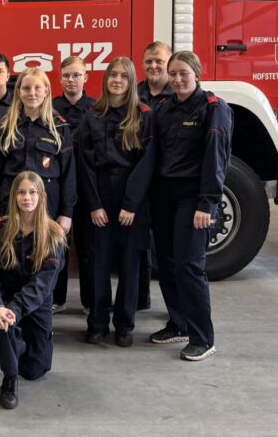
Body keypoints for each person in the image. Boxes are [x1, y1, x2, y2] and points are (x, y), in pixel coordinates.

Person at [149, 51, 232, 361]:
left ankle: (203, 338)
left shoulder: (213, 108)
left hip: (193, 198)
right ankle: (179, 324)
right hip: (164, 196)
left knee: (189, 267)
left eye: (183, 72)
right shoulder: (163, 109)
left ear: (197, 73)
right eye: (173, 73)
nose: (177, 79)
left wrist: (207, 204)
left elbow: (216, 159)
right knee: (167, 264)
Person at [77, 57, 155, 347]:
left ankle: (124, 325)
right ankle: (97, 322)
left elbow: (147, 163)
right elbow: (84, 163)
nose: (117, 80)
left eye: (123, 76)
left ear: (131, 81)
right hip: (100, 195)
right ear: (105, 79)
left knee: (129, 265)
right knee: (98, 263)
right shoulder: (92, 116)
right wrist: (94, 204)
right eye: (113, 75)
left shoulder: (143, 116)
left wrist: (131, 204)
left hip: (131, 198)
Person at [0, 172, 66, 410]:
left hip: (36, 302)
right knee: (4, 324)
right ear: (13, 196)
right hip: (5, 300)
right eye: (21, 192)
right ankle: (9, 380)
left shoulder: (54, 233)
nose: (26, 197)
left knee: (34, 370)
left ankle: (10, 342)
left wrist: (15, 309)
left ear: (42, 196)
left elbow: (43, 285)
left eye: (32, 192)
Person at [0, 67, 76, 237]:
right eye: (26, 88)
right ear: (18, 92)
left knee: (47, 252)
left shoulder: (59, 127)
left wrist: (67, 212)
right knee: (10, 251)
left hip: (48, 205)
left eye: (37, 88)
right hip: (11, 202)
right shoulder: (5, 127)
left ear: (46, 91)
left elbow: (69, 174)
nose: (32, 93)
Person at [50, 56, 96, 314]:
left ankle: (89, 300)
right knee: (58, 244)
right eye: (66, 75)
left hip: (88, 186)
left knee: (88, 246)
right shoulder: (51, 108)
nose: (71, 80)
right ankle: (57, 298)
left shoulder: (96, 108)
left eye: (76, 75)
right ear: (60, 78)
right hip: (60, 187)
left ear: (85, 77)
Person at [135, 41, 174, 312]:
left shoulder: (178, 95)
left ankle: (176, 312)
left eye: (159, 60)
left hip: (166, 182)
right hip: (138, 181)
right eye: (149, 61)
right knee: (138, 244)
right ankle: (140, 298)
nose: (153, 66)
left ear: (169, 63)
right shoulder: (134, 94)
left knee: (168, 249)